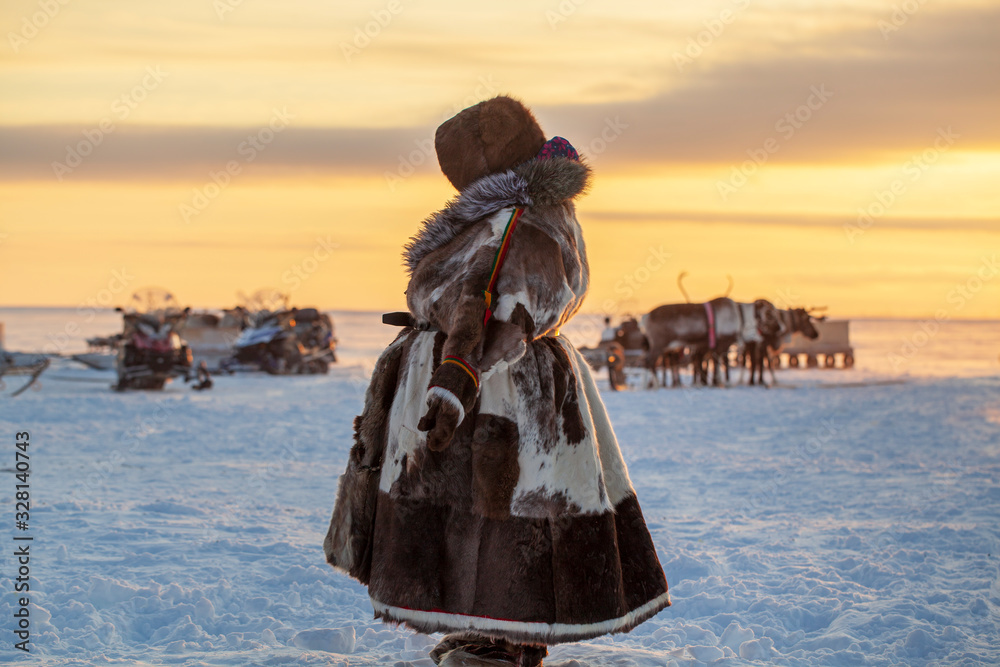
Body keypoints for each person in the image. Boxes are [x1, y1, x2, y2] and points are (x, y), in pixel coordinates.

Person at [324, 96, 670, 667]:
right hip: (520, 385)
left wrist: (453, 383)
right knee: (509, 507)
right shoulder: (535, 212)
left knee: (503, 508)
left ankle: (512, 643)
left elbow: (494, 311)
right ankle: (495, 630)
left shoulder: (515, 222)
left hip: (500, 394)